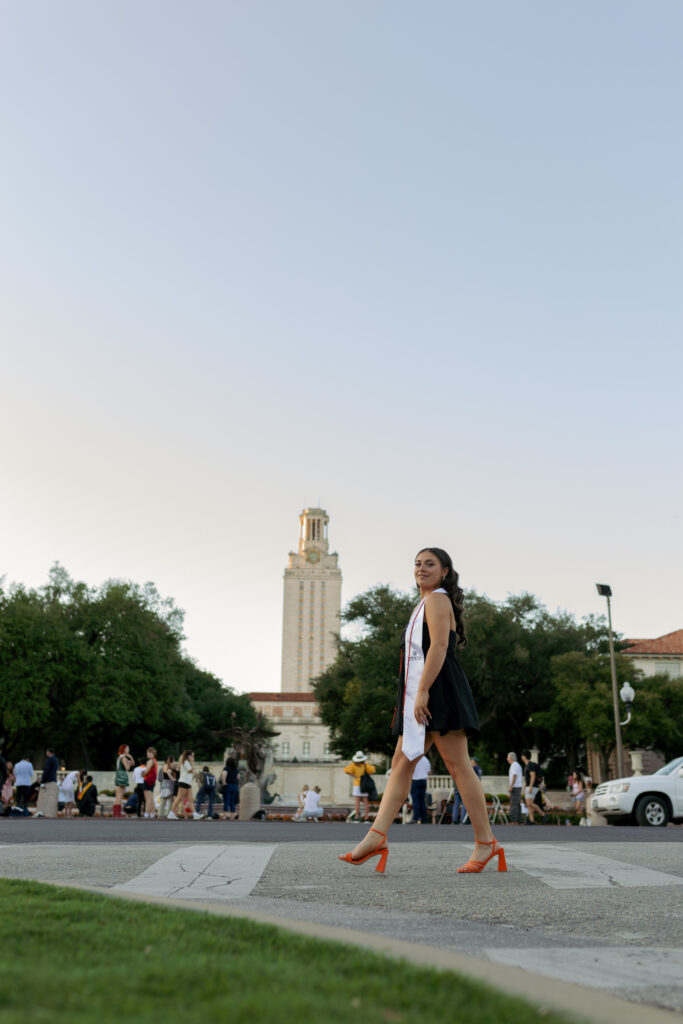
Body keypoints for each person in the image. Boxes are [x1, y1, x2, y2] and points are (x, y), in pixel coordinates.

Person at [339, 547, 505, 874]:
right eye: (417, 563)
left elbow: (440, 646)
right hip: (426, 689)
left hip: (438, 689)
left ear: (445, 571)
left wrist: (424, 690)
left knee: (458, 766)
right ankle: (376, 836)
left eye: (430, 564)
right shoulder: (425, 603)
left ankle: (486, 842)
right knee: (402, 762)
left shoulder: (438, 600)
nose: (421, 568)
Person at [343, 752, 376, 822]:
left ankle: (357, 817)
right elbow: (372, 771)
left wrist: (353, 775)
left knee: (357, 802)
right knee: (365, 802)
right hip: (364, 785)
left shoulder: (353, 765)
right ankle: (366, 818)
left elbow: (346, 770)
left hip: (357, 785)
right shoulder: (365, 765)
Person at [169, 749, 201, 819]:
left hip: (187, 782)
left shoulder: (187, 763)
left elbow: (192, 772)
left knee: (191, 799)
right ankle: (171, 813)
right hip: (183, 782)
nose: (193, 758)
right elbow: (190, 770)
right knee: (179, 798)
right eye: (192, 756)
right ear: (188, 756)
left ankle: (195, 814)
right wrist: (192, 763)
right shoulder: (185, 762)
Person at [521, 750, 547, 824]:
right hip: (528, 786)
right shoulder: (527, 765)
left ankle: (543, 815)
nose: (521, 757)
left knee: (530, 803)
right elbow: (527, 779)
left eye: (522, 755)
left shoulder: (530, 765)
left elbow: (533, 775)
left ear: (525, 756)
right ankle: (532, 820)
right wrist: (524, 787)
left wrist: (531, 786)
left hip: (532, 786)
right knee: (529, 804)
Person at [36, 748, 59, 818]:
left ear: (49, 752)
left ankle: (43, 812)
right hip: (53, 779)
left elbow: (46, 770)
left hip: (48, 780)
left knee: (45, 799)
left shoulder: (50, 760)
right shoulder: (55, 759)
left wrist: (42, 780)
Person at [113, 744, 134, 818]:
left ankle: (115, 812)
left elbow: (132, 763)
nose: (129, 749)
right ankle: (118, 813)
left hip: (118, 776)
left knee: (117, 795)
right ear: (124, 749)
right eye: (128, 748)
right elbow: (128, 767)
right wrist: (129, 759)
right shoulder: (123, 758)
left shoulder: (120, 757)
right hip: (123, 777)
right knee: (120, 795)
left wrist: (130, 757)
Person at [410, 754, 431, 823]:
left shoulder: (413, 759)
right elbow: (429, 772)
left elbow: (410, 770)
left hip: (415, 780)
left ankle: (416, 818)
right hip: (423, 780)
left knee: (415, 801)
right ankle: (423, 818)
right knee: (422, 800)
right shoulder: (426, 759)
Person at [220, 756, 239, 820]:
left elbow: (224, 774)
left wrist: (224, 782)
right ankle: (232, 815)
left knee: (226, 800)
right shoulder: (236, 769)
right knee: (233, 802)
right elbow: (238, 777)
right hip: (234, 786)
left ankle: (225, 815)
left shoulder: (226, 768)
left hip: (228, 786)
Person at [141, 747, 158, 819]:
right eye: (147, 752)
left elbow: (146, 771)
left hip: (147, 780)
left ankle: (146, 813)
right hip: (152, 781)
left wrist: (142, 773)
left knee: (147, 798)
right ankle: (152, 813)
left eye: (149, 752)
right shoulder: (155, 761)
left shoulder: (150, 761)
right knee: (151, 797)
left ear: (153, 753)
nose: (147, 754)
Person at [507, 752, 523, 824]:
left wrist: (511, 786)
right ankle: (518, 820)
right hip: (518, 786)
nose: (507, 759)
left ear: (511, 758)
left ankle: (514, 820)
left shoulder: (514, 765)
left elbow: (514, 776)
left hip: (515, 787)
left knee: (514, 803)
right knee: (517, 804)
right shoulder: (517, 765)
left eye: (508, 757)